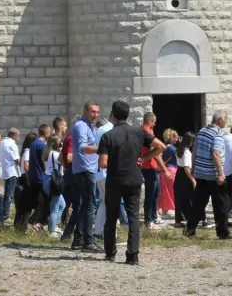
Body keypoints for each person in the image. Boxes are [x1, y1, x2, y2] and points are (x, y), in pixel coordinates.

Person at [99, 100, 165, 265]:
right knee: (133, 216)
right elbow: (160, 146)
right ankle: (133, 255)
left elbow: (103, 163)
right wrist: (143, 158)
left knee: (111, 216)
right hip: (134, 178)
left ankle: (110, 253)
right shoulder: (139, 132)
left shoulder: (108, 136)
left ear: (113, 115)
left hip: (115, 179)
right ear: (128, 114)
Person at [185, 110, 232, 241]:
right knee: (221, 204)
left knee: (198, 203)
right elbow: (216, 154)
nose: (226, 122)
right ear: (220, 120)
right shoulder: (218, 134)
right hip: (213, 175)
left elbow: (195, 149)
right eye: (225, 119)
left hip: (201, 173)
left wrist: (193, 167)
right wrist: (220, 173)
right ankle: (223, 232)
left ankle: (189, 229)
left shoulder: (202, 131)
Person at [69, 101, 101, 253]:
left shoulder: (87, 126)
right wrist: (102, 149)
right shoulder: (81, 126)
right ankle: (88, 241)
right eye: (93, 111)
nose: (95, 114)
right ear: (85, 111)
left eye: (97, 112)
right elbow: (82, 147)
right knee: (89, 205)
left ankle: (79, 239)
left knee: (85, 204)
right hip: (85, 169)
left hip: (86, 169)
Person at [138, 112, 165, 229]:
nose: (155, 124)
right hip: (150, 166)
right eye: (154, 122)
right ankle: (148, 221)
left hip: (149, 166)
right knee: (150, 194)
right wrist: (164, 169)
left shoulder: (141, 130)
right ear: (150, 121)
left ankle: (154, 217)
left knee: (156, 192)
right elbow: (156, 152)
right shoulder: (147, 132)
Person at [0, 128, 20, 228]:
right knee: (9, 195)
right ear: (14, 135)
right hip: (12, 172)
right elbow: (17, 159)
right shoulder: (12, 144)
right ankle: (5, 214)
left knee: (6, 194)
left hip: (4, 171)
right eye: (18, 135)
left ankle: (3, 213)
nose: (18, 137)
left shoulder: (2, 143)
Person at [42, 133, 65, 238]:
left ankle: (54, 225)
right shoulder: (55, 155)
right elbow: (64, 162)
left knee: (62, 205)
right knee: (55, 208)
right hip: (54, 181)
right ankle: (51, 230)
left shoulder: (48, 153)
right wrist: (63, 150)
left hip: (47, 180)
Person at [173, 132, 197, 228]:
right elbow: (186, 168)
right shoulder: (186, 152)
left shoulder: (179, 149)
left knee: (179, 198)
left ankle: (178, 220)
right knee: (188, 198)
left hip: (179, 174)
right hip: (185, 176)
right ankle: (188, 218)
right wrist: (193, 180)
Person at [158, 129, 178, 222]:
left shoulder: (165, 147)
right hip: (171, 170)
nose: (177, 138)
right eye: (176, 136)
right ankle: (170, 208)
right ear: (171, 138)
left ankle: (164, 209)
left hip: (164, 171)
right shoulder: (172, 148)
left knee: (165, 192)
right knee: (172, 191)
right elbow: (180, 155)